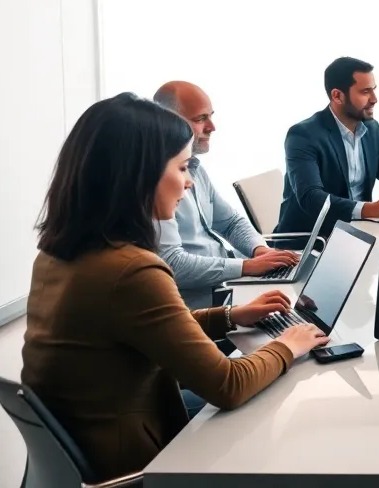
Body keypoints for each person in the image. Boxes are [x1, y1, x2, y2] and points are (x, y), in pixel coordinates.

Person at [21, 93, 328, 482]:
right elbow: (228, 385)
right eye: (182, 168)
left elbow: (144, 327)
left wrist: (231, 316)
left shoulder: (59, 253)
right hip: (135, 456)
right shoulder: (132, 271)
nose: (187, 184)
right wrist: (289, 343)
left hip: (96, 432)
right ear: (139, 174)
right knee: (278, 404)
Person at [153, 81, 299, 309]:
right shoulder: (156, 183)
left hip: (228, 285)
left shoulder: (195, 168)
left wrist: (259, 251)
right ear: (167, 122)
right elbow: (172, 264)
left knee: (304, 303)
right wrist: (246, 267)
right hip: (201, 303)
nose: (212, 126)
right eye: (201, 119)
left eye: (210, 116)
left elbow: (230, 223)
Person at [277, 57, 379, 230]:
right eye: (365, 92)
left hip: (358, 230)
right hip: (312, 239)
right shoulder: (304, 135)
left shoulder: (371, 129)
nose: (374, 99)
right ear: (337, 96)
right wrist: (370, 209)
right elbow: (312, 198)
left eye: (374, 90)